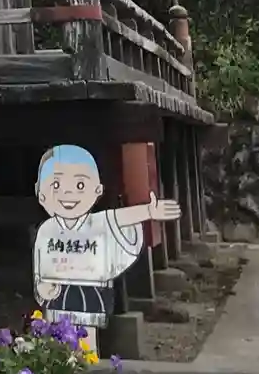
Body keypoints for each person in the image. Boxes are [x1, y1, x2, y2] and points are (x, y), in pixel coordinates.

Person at [31, 143, 179, 347]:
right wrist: (42, 287)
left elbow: (118, 218)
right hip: (58, 295)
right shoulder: (47, 230)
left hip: (90, 292)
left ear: (97, 190)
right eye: (56, 185)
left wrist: (147, 211)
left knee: (86, 339)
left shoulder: (95, 223)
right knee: (57, 341)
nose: (68, 193)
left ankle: (87, 362)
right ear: (40, 192)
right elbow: (41, 265)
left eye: (80, 185)